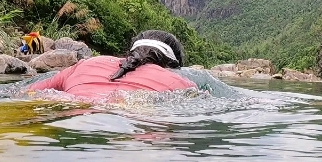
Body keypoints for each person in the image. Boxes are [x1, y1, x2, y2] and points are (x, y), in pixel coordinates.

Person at [28, 30, 196, 99]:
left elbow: (28, 93)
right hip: (129, 119)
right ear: (173, 65)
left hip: (69, 109)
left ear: (130, 53)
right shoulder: (181, 83)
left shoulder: (84, 64)